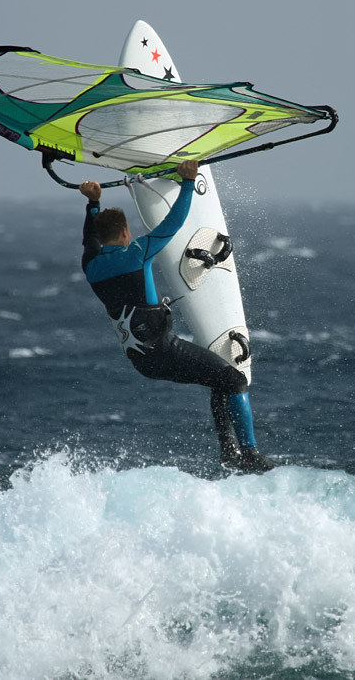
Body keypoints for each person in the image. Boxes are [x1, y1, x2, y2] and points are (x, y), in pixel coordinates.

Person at [79, 160, 274, 473]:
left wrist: (93, 203)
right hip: (164, 350)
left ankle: (230, 454)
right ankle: (247, 453)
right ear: (127, 232)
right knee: (234, 380)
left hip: (142, 361)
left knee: (219, 380)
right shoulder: (137, 251)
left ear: (102, 239)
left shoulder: (91, 266)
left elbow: (89, 240)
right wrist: (187, 182)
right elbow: (174, 223)